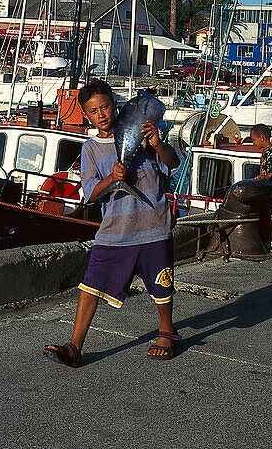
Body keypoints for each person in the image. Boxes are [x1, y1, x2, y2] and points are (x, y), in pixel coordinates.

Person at [44, 79, 181, 368]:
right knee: (90, 284)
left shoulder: (141, 133)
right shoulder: (91, 149)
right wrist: (112, 178)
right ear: (86, 115)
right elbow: (90, 193)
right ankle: (75, 346)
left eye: (105, 106)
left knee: (161, 282)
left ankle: (167, 330)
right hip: (114, 231)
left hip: (152, 223)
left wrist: (157, 144)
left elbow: (173, 162)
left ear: (115, 105)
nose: (101, 114)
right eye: (93, 111)